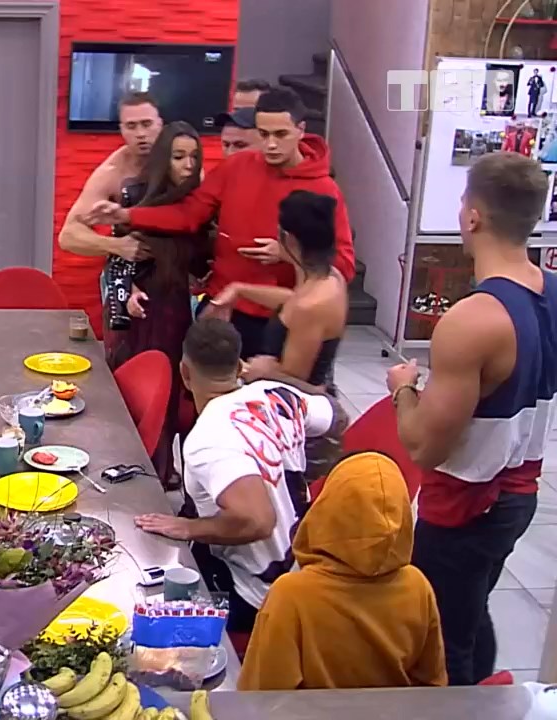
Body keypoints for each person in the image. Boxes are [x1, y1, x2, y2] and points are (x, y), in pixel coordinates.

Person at [387, 152, 554, 685]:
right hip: (519, 493)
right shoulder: (552, 290)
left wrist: (403, 389)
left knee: (442, 639)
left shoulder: (473, 320)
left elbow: (424, 447)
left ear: (473, 216)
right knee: (471, 610)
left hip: (465, 505)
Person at [82, 86, 356, 359]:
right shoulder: (237, 167)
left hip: (280, 315)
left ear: (301, 129)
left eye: (280, 134)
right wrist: (126, 215)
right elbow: (189, 214)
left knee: (267, 383)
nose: (271, 144)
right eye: (263, 134)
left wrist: (288, 254)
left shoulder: (324, 189)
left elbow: (343, 265)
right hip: (221, 306)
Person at [135, 319, 347, 633]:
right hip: (305, 571)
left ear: (185, 373)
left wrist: (190, 528)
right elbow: (338, 416)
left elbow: (258, 521)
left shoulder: (206, 439)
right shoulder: (274, 394)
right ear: (238, 367)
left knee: (143, 600)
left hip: (257, 596)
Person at [239, 452, 448, 691]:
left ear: (327, 508)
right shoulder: (417, 587)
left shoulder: (290, 596)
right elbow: (432, 684)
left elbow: (260, 695)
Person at [104, 122, 202, 477]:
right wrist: (127, 291)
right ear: (164, 160)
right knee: (144, 394)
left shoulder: (200, 204)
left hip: (178, 311)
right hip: (143, 312)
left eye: (194, 157)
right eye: (178, 157)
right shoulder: (136, 198)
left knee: (177, 394)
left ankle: (168, 468)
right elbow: (114, 260)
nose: (188, 165)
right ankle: (147, 471)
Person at [218, 190, 347, 393]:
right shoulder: (330, 277)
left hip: (293, 402)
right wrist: (239, 290)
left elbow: (296, 383)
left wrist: (259, 370)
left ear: (288, 238)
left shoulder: (309, 307)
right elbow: (294, 299)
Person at [56, 92, 164, 330]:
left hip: (175, 272)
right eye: (131, 126)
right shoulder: (112, 172)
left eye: (146, 124)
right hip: (127, 274)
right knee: (123, 345)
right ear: (121, 130)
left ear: (160, 124)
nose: (140, 134)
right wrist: (117, 246)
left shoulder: (182, 160)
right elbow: (68, 235)